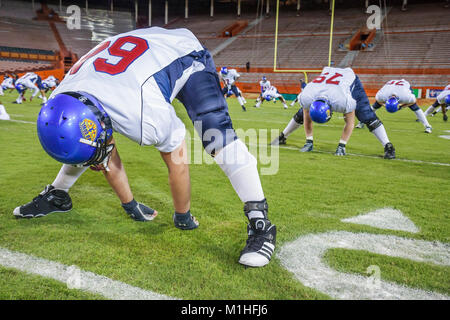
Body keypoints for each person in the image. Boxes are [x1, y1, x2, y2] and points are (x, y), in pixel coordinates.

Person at [13, 27, 276, 268]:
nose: (95, 167)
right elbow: (93, 138)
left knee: (216, 136)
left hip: (185, 53)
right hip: (138, 57)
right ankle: (58, 194)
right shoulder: (64, 97)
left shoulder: (142, 114)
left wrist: (182, 215)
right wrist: (130, 205)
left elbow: (178, 161)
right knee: (86, 140)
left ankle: (260, 222)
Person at [271, 67, 396, 159]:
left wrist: (342, 145)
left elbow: (350, 122)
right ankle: (283, 136)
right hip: (327, 80)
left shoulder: (343, 100)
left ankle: (388, 145)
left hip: (350, 80)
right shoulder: (307, 97)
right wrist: (309, 141)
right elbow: (306, 117)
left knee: (365, 115)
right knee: (301, 114)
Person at [355, 79, 432, 133]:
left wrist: (402, 106)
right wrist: (384, 105)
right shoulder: (381, 96)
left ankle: (428, 126)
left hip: (404, 84)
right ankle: (361, 121)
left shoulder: (406, 97)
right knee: (375, 106)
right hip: (390, 85)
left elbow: (414, 101)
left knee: (415, 107)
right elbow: (378, 101)